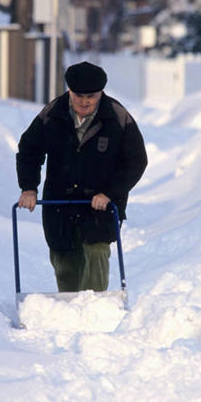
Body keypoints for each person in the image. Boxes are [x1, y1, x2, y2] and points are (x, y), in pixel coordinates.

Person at [16, 61, 148, 292]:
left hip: (100, 203)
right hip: (59, 200)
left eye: (91, 96)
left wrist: (110, 193)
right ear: (70, 91)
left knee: (97, 252)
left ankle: (94, 310)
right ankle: (69, 309)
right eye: (79, 95)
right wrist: (29, 188)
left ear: (101, 93)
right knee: (63, 256)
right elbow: (29, 150)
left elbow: (136, 161)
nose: (85, 101)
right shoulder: (52, 113)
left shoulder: (117, 116)